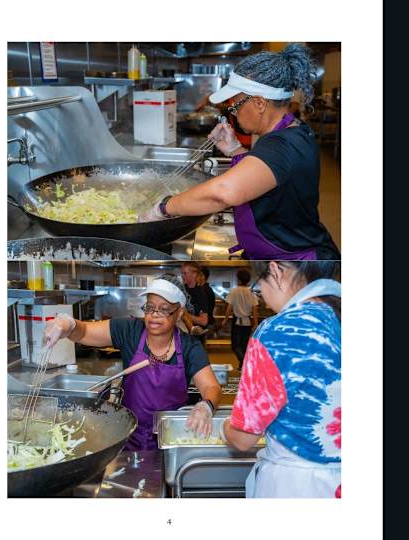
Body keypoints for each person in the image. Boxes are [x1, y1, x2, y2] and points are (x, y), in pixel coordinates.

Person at [140, 43, 340, 261]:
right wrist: (236, 150)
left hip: (297, 264)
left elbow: (223, 193)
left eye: (235, 106)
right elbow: (270, 177)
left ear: (259, 103)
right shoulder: (292, 132)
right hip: (281, 255)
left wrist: (164, 207)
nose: (233, 113)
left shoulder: (283, 145)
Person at [43, 274, 222, 451]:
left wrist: (205, 406)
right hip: (128, 435)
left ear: (179, 313)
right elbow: (84, 332)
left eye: (164, 309)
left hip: (171, 440)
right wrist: (68, 324)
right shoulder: (130, 330)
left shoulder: (190, 347)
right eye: (149, 308)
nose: (154, 315)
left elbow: (211, 387)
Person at [219, 261, 341, 498]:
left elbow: (244, 438)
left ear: (275, 270)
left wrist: (224, 429)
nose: (263, 297)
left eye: (260, 284)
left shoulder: (279, 331)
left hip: (298, 487)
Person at [222, 268, 259, 369]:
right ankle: (242, 366)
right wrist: (255, 323)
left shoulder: (234, 291)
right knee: (243, 346)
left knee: (235, 346)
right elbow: (255, 309)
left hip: (237, 322)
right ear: (248, 280)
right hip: (248, 322)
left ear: (238, 279)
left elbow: (229, 307)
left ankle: (244, 362)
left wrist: (225, 319)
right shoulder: (251, 292)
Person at [180, 262, 212, 346]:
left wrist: (184, 314)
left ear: (194, 274)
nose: (182, 276)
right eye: (181, 273)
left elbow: (204, 321)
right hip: (183, 335)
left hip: (196, 338)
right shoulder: (182, 289)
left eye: (185, 273)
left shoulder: (201, 293)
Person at [198, 267, 217, 339]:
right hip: (207, 321)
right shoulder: (205, 289)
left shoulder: (205, 290)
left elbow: (204, 308)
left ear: (203, 276)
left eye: (198, 274)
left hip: (205, 323)